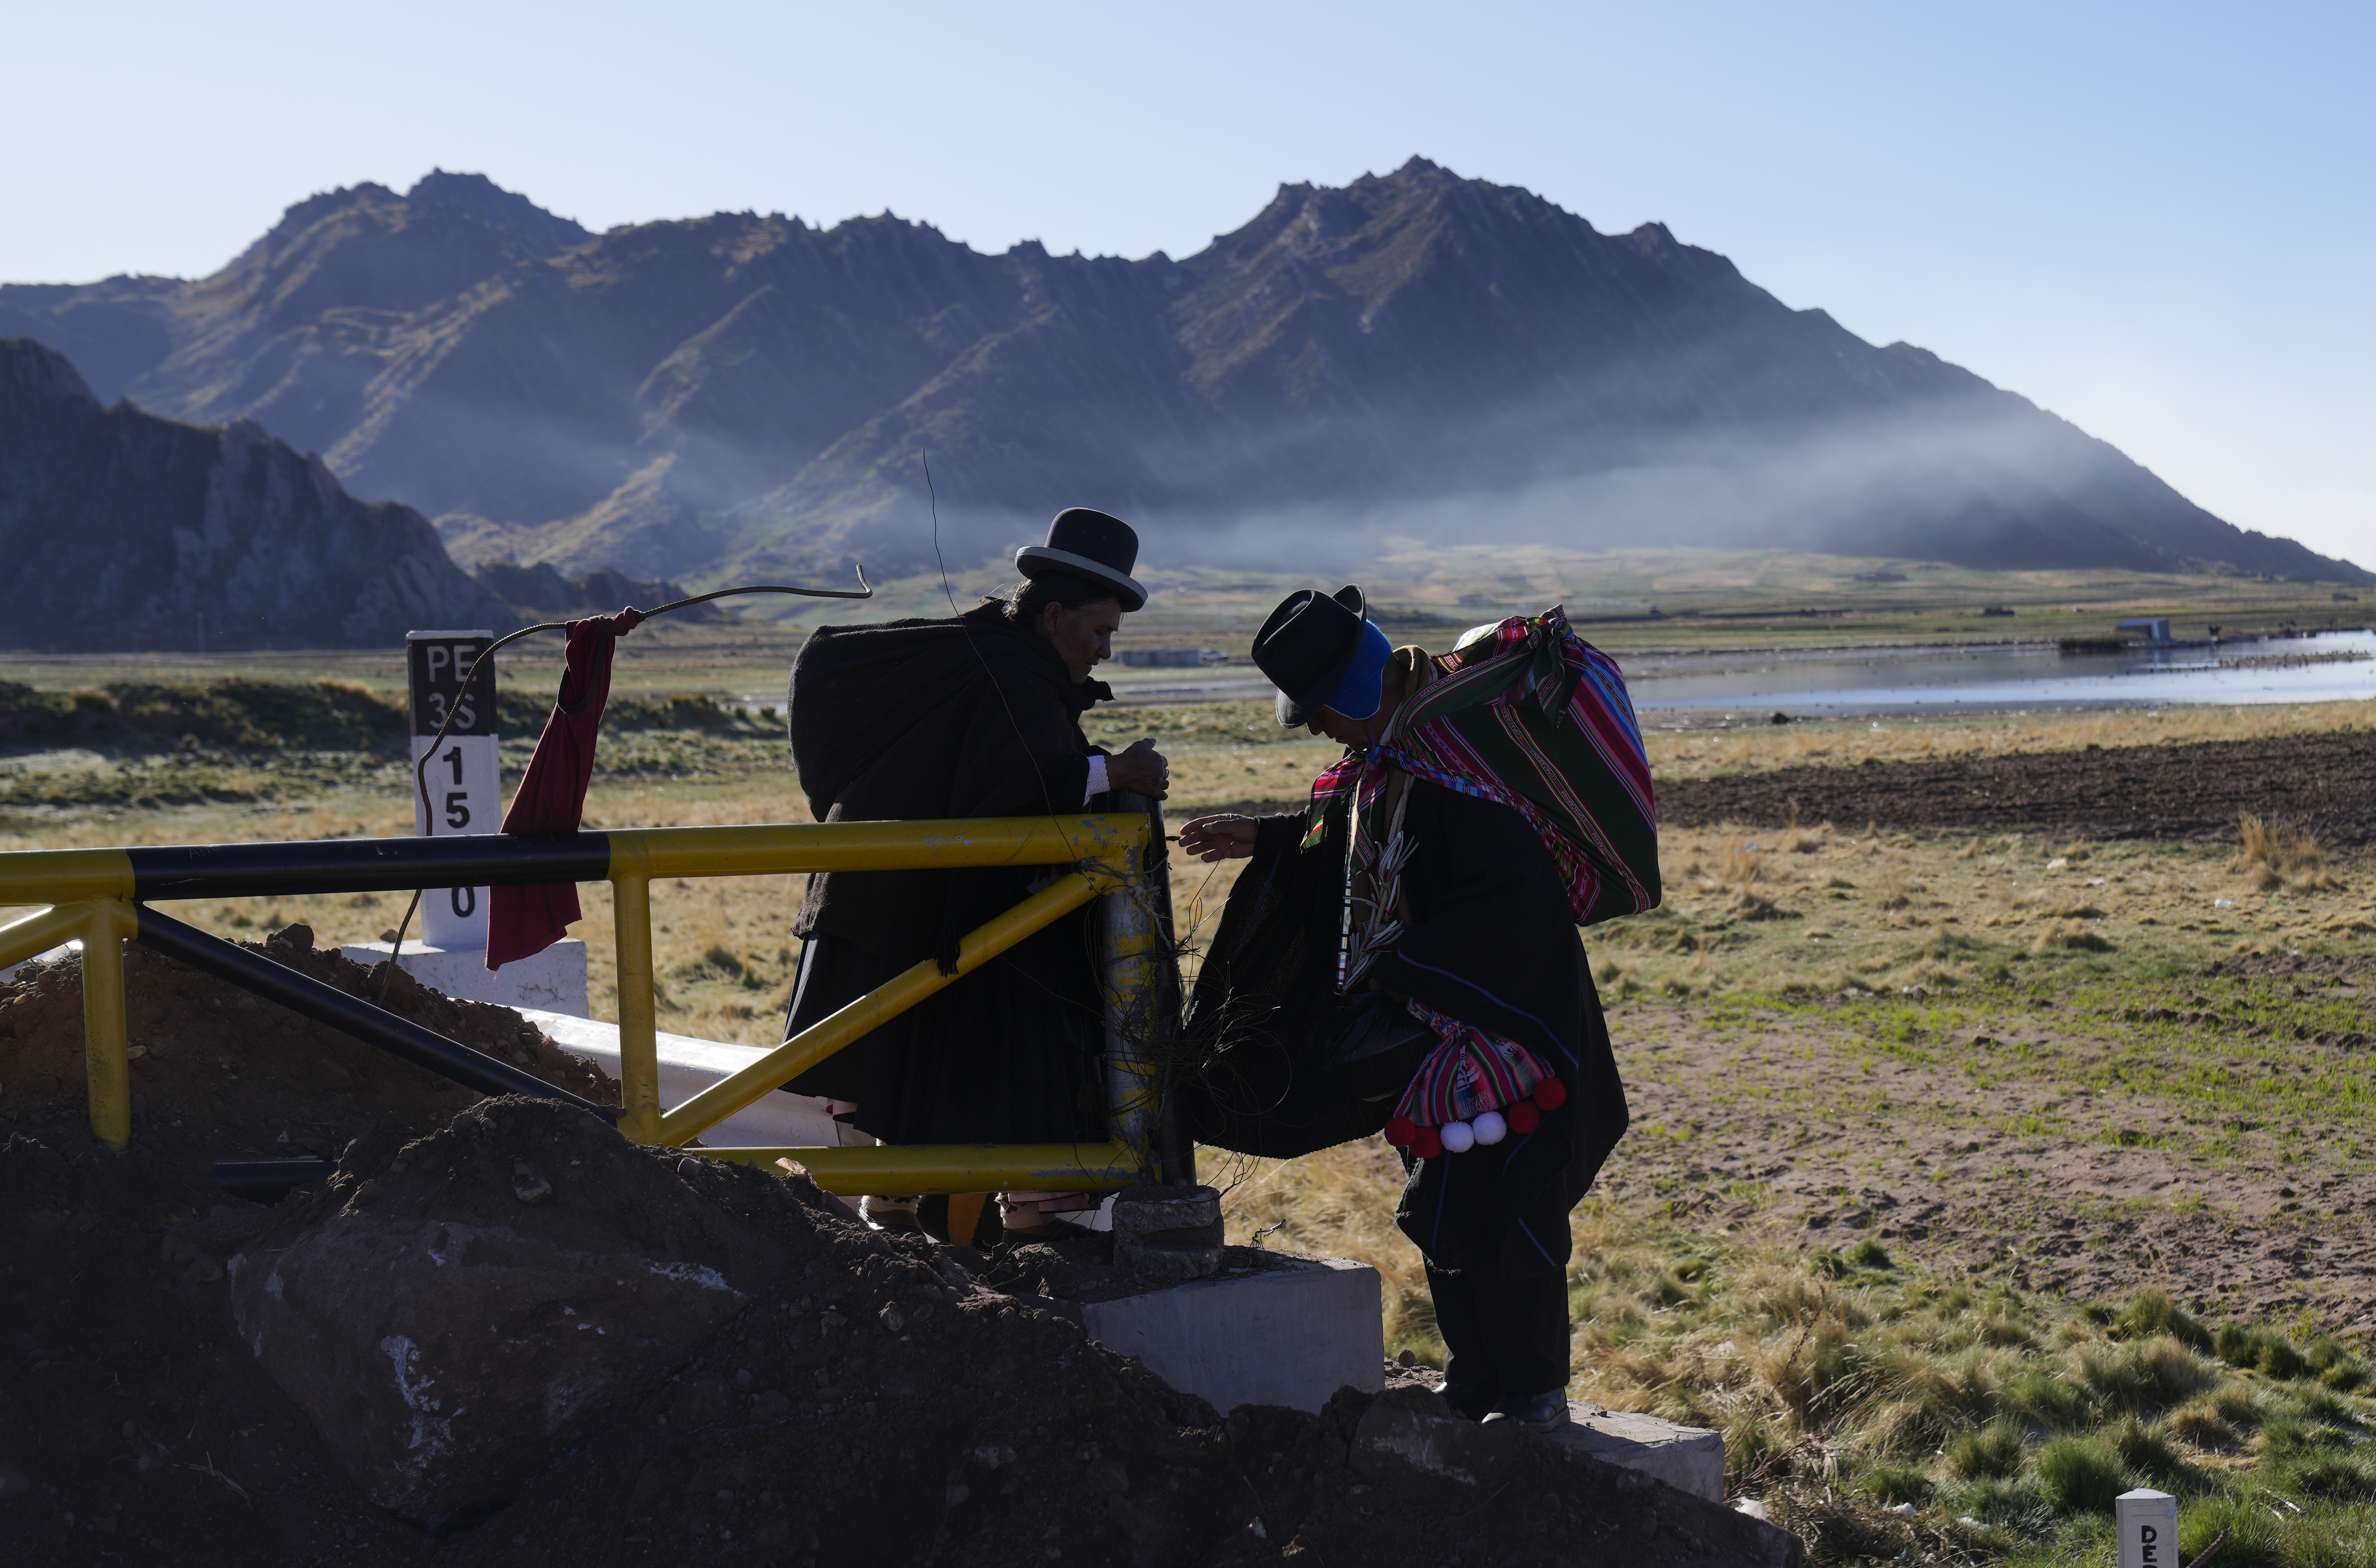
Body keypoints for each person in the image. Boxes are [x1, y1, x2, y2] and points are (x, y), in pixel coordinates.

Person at [1178, 586, 1655, 1432]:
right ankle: (1475, 1377)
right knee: (1447, 1193)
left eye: (1322, 710)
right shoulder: (1402, 757)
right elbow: (1364, 842)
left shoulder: (1453, 763)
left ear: (1357, 692)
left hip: (1511, 1031)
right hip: (1443, 1030)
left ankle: (1534, 1394)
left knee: (1513, 1204)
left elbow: (1509, 901)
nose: (1320, 729)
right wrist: (1270, 836)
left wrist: (1406, 970)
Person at [779, 507, 1168, 1244]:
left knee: (900, 1057)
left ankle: (894, 1211)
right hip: (909, 906)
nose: (1105, 651)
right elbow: (1009, 778)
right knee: (980, 1049)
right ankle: (1008, 1219)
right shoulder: (1014, 676)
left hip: (886, 899)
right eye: (1100, 632)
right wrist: (1114, 771)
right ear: (1054, 615)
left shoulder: (984, 653)